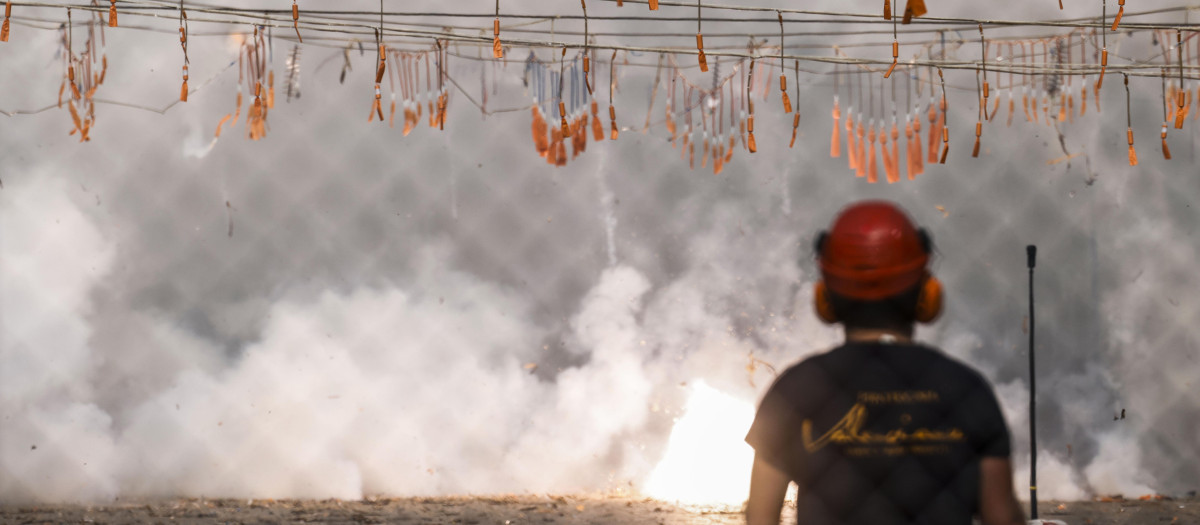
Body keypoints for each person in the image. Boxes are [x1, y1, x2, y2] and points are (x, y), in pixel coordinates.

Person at [744, 200, 1026, 525]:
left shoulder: (794, 390)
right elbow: (1002, 517)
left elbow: (760, 518)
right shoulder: (967, 389)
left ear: (826, 297)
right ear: (926, 292)